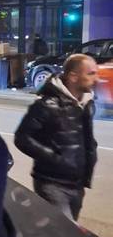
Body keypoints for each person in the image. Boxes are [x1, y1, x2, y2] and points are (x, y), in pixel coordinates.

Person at [14, 51, 98, 220]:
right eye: (91, 73)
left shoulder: (87, 103)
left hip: (77, 184)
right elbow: (22, 138)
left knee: (65, 236)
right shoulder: (46, 105)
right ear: (73, 76)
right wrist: (55, 158)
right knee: (64, 236)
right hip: (52, 183)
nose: (95, 78)